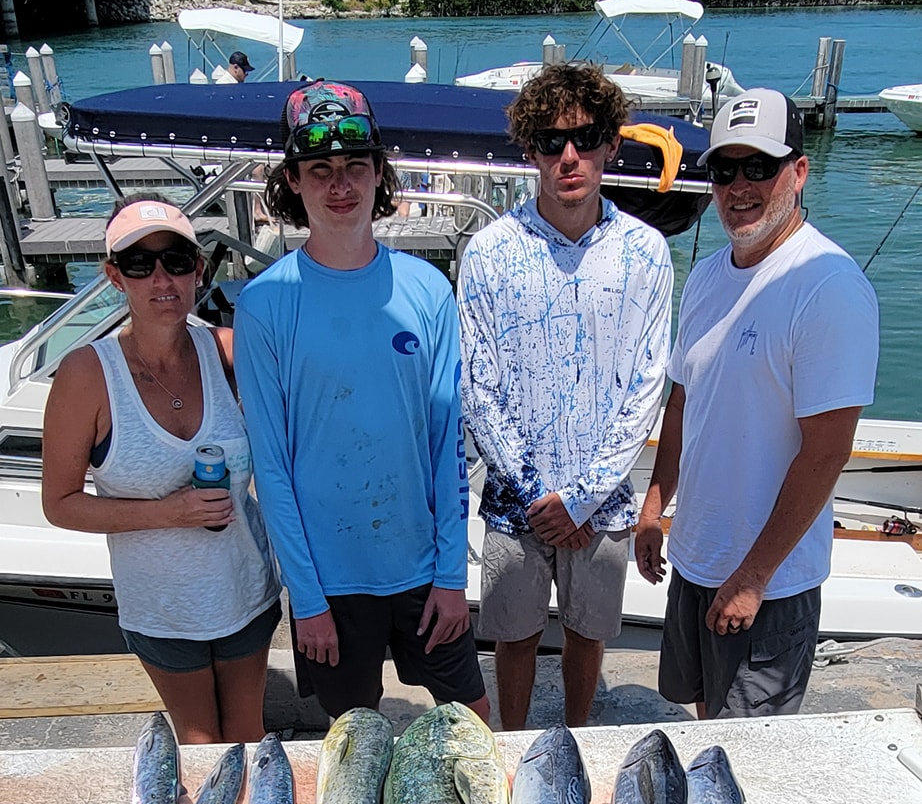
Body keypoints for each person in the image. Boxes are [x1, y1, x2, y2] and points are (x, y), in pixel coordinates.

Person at [232, 82, 490, 723]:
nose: (339, 185)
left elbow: (445, 446)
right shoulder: (263, 305)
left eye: (355, 166)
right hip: (332, 583)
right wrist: (308, 599)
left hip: (423, 566)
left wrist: (452, 577)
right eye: (320, 170)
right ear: (293, 181)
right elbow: (273, 468)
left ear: (380, 173)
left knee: (480, 722)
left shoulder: (429, 289)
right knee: (356, 740)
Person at [635, 90, 880, 719]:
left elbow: (828, 451)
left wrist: (752, 578)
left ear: (798, 172)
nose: (739, 187)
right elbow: (684, 400)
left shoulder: (828, 285)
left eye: (759, 167)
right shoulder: (710, 274)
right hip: (696, 557)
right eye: (724, 169)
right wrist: (657, 504)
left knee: (751, 755)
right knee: (700, 717)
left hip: (768, 582)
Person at [457, 62, 673, 730]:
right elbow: (477, 385)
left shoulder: (648, 251)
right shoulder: (490, 251)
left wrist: (580, 496)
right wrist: (538, 495)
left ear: (611, 143)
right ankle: (515, 747)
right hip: (513, 502)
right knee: (513, 637)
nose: (569, 155)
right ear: (531, 153)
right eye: (551, 142)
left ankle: (579, 743)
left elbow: (647, 384)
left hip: (602, 505)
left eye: (585, 137)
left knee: (588, 633)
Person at [42, 198, 281, 743]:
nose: (161, 278)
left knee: (247, 734)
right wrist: (169, 512)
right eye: (138, 264)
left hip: (248, 592)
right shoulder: (86, 373)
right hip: (163, 609)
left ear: (198, 270)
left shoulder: (226, 349)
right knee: (198, 745)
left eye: (176, 261)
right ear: (113, 277)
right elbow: (58, 504)